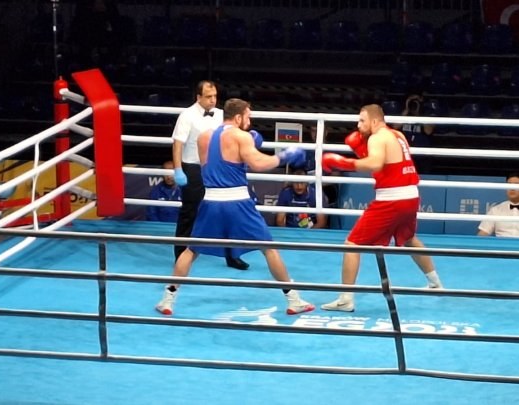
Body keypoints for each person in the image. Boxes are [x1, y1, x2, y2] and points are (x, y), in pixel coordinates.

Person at [155, 98, 315, 316]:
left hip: (210, 201)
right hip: (238, 202)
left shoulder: (204, 137)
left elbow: (215, 165)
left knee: (191, 250)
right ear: (238, 117)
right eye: (248, 116)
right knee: (269, 249)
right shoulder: (241, 137)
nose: (250, 121)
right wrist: (283, 156)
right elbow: (258, 164)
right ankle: (293, 300)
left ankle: (167, 300)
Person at [319, 104, 444, 312]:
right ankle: (435, 283)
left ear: (375, 121)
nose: (358, 125)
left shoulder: (377, 137)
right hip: (411, 196)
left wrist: (343, 162)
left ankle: (346, 299)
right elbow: (387, 164)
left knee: (352, 244)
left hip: (392, 199)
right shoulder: (397, 135)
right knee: (409, 238)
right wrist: (361, 150)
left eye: (362, 120)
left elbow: (375, 164)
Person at [171, 80, 249, 270]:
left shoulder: (222, 115)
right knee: (190, 213)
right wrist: (178, 169)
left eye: (215, 96)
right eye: (208, 96)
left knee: (227, 212)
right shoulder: (187, 115)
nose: (213, 100)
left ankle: (232, 255)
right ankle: (181, 255)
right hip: (193, 168)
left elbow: (233, 136)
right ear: (198, 97)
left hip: (217, 169)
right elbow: (178, 144)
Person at [393, 93, 435, 173]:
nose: (414, 105)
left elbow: (428, 131)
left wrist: (419, 114)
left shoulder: (427, 113)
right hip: (405, 155)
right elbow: (395, 126)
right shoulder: (403, 113)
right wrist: (406, 109)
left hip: (422, 156)